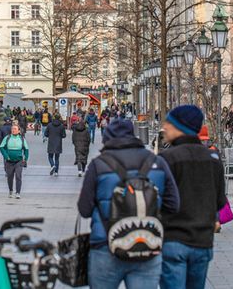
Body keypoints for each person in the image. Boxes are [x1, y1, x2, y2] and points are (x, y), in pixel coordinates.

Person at [77, 118, 179, 289]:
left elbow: (85, 209)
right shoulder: (156, 162)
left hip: (105, 247)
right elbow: (173, 205)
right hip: (147, 246)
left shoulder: (98, 165)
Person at [158, 106, 225, 289]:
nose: (164, 127)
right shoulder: (213, 158)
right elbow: (220, 201)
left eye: (168, 123)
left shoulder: (167, 158)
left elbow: (156, 200)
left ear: (180, 127)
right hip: (202, 242)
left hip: (173, 239)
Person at [0, 122, 30, 198]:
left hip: (19, 161)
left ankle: (18, 192)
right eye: (12, 129)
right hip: (9, 161)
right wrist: (6, 156)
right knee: (9, 177)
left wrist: (25, 158)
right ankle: (10, 190)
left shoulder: (22, 139)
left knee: (18, 176)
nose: (13, 130)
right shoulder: (7, 138)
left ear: (19, 131)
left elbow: (26, 149)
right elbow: (2, 147)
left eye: (15, 129)